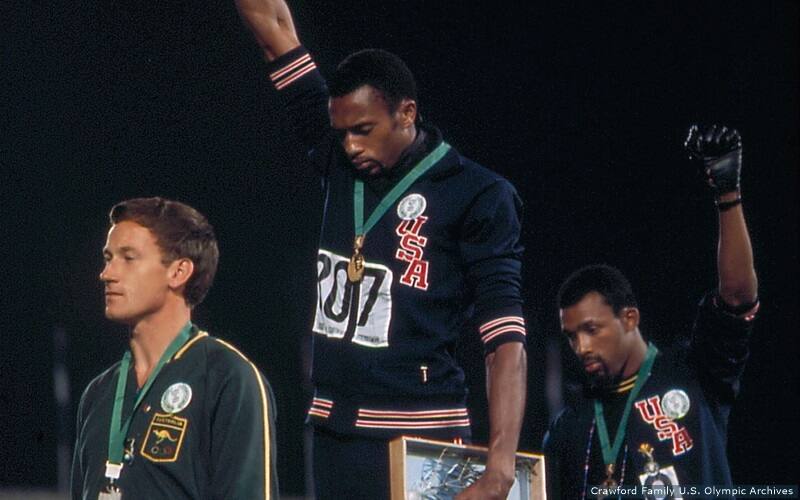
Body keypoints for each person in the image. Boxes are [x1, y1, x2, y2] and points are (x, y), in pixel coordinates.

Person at [234, 2, 528, 498]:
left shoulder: (478, 193)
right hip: (332, 428)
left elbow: (504, 336)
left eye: (363, 130)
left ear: (406, 112)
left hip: (421, 431)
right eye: (341, 131)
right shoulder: (337, 156)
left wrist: (500, 465)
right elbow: (274, 30)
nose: (349, 146)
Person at [543, 124, 759, 499]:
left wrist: (727, 195)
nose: (581, 347)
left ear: (630, 318)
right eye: (572, 336)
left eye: (592, 330)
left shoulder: (696, 372)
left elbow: (737, 295)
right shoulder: (569, 428)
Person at [71, 197, 278, 500]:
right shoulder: (98, 393)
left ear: (179, 272)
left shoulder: (229, 378)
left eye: (128, 258)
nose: (107, 273)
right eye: (107, 258)